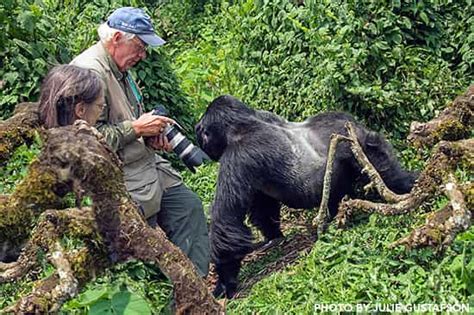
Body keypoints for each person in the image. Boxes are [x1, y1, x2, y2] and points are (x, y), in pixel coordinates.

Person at [69, 7, 210, 277]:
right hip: (121, 176)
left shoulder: (120, 67)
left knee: (189, 208)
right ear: (117, 37)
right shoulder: (90, 72)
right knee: (138, 252)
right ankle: (165, 295)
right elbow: (83, 139)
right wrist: (135, 129)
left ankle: (194, 292)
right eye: (140, 46)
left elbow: (126, 119)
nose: (143, 55)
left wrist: (149, 136)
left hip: (146, 164)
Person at [39, 64, 105, 128]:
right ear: (81, 110)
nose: (101, 112)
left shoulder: (35, 135)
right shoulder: (80, 139)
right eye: (100, 106)